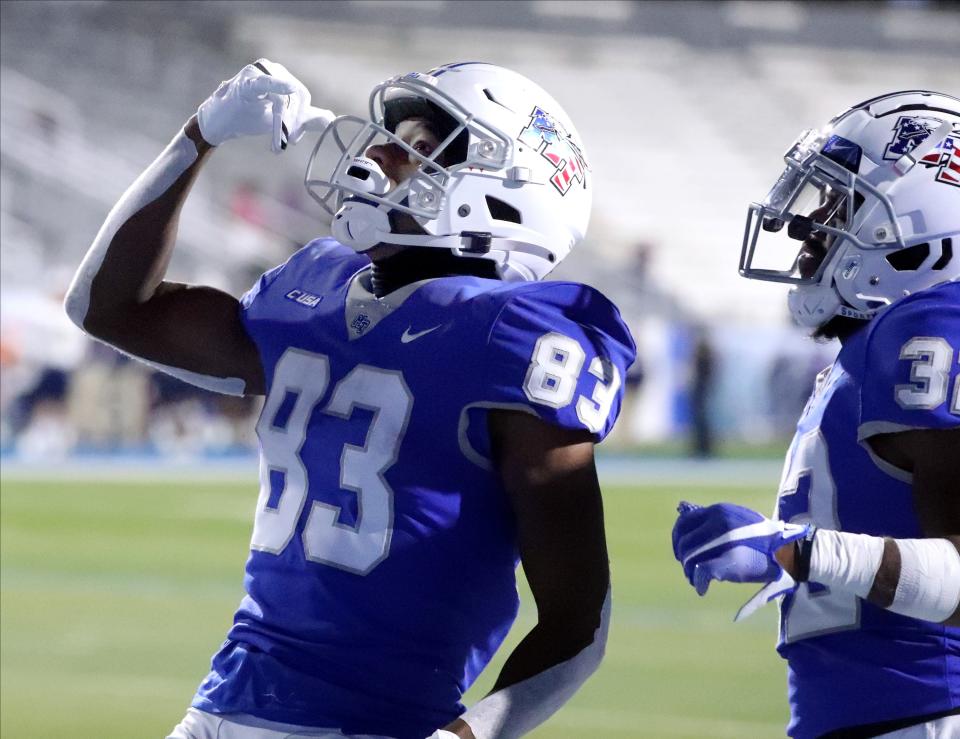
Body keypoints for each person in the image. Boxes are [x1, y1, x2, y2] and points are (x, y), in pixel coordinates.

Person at [64, 59, 635, 739]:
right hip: (219, 707)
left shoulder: (517, 336)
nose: (378, 155)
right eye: (388, 137)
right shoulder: (316, 284)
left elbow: (579, 622)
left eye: (419, 147)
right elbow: (109, 308)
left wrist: (468, 735)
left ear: (504, 191)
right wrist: (200, 135)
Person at [672, 90, 959, 738]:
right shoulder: (867, 349)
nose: (811, 225)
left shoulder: (936, 325)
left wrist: (799, 549)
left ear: (920, 224)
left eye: (841, 203)